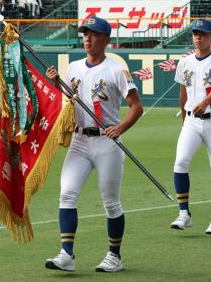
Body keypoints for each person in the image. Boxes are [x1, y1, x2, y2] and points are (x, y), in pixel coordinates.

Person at [44, 16, 143, 273]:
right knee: (67, 193)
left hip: (107, 142)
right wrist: (57, 83)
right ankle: (67, 254)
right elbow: (69, 101)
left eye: (94, 33)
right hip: (79, 140)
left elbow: (136, 106)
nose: (87, 38)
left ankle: (114, 255)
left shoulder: (116, 69)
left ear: (106, 39)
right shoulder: (74, 67)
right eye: (85, 33)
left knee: (110, 201)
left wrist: (119, 128)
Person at [170, 19, 211, 235]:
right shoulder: (185, 62)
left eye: (203, 34)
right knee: (180, 163)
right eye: (196, 33)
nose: (198, 37)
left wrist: (205, 102)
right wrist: (184, 122)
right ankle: (184, 213)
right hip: (191, 120)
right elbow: (182, 94)